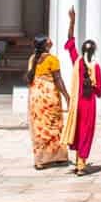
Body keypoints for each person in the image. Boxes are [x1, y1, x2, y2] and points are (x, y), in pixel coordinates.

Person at [63, 6, 101, 175]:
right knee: (87, 132)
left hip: (76, 102)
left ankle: (79, 160)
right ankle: (81, 163)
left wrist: (72, 21)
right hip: (89, 103)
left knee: (78, 130)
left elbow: (70, 41)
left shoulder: (77, 62)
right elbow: (99, 90)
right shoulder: (96, 67)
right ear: (94, 51)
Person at [25, 35, 70, 169]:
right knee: (54, 125)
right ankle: (58, 156)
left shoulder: (32, 59)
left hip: (35, 96)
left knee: (39, 127)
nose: (51, 40)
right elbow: (58, 80)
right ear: (45, 45)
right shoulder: (52, 60)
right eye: (48, 40)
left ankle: (40, 159)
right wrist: (67, 96)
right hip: (49, 96)